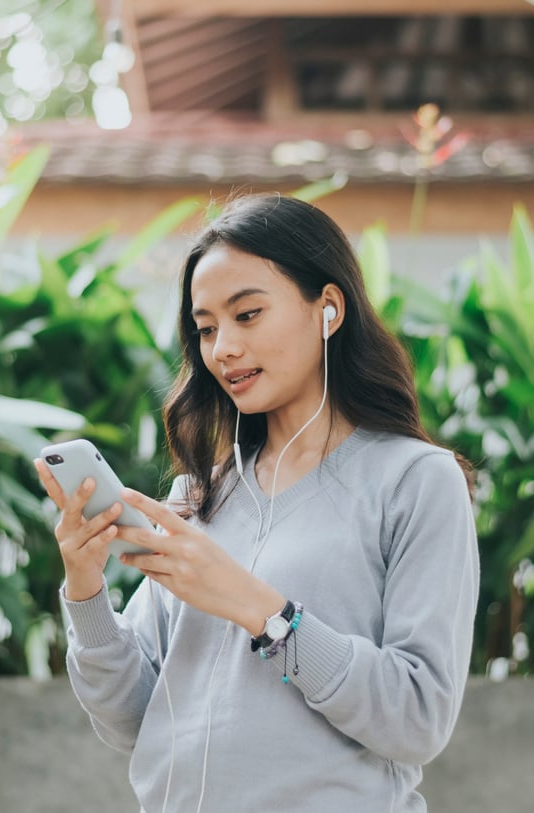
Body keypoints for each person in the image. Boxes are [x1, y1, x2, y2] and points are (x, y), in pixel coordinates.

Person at [36, 192, 479, 813]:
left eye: (247, 315)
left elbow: (418, 719)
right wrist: (85, 593)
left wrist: (260, 609)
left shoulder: (415, 482)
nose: (222, 350)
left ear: (327, 309)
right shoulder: (200, 494)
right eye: (207, 328)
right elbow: (133, 721)